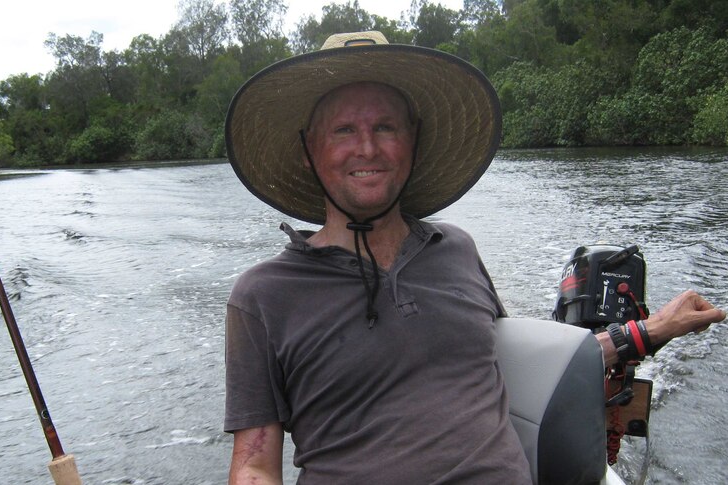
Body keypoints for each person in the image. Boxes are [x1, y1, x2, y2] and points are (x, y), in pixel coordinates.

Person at [222, 31, 725, 484]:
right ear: (309, 148)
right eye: (344, 131)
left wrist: (654, 328)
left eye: (386, 127)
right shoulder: (263, 296)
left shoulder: (457, 249)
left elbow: (510, 362)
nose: (368, 148)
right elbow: (253, 465)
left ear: (413, 140)